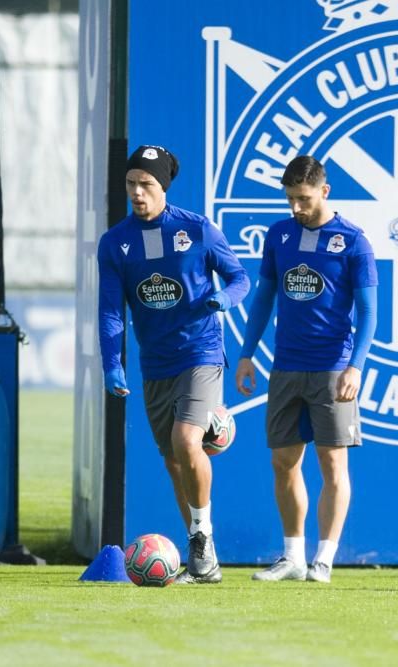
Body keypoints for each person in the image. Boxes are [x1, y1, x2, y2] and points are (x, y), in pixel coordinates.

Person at [97, 144, 250, 584]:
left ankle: (202, 535)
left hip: (201, 351)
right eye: (131, 184)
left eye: (146, 184)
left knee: (186, 440)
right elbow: (111, 311)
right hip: (157, 362)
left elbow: (240, 278)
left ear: (163, 186)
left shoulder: (197, 229)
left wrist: (223, 299)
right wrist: (113, 364)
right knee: (173, 461)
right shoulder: (116, 243)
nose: (137, 193)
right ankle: (205, 562)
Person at [236, 155, 378, 584]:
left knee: (333, 465)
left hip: (333, 367)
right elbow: (264, 296)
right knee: (283, 461)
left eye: (303, 198)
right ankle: (293, 556)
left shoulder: (354, 241)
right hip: (286, 364)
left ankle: (325, 559)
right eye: (290, 199)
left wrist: (356, 367)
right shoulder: (279, 234)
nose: (296, 208)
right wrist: (246, 352)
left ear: (324, 191)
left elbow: (370, 312)